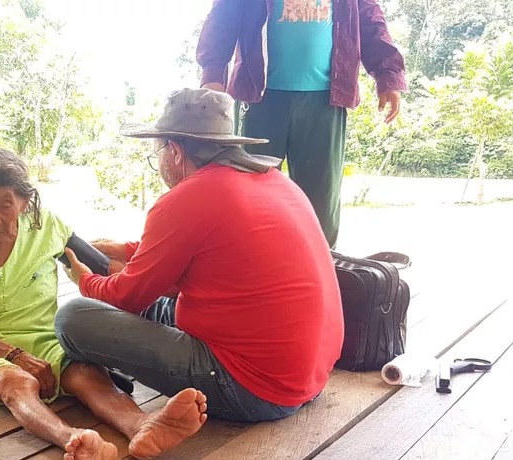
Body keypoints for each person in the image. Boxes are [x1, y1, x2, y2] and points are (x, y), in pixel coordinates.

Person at [56, 88, 344, 423]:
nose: (159, 163)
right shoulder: (276, 181)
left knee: (73, 317)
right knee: (163, 304)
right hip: (307, 377)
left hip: (254, 389)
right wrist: (126, 250)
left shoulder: (187, 198)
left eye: (158, 153)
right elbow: (203, 247)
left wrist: (85, 280)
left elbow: (125, 297)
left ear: (175, 152)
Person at [0, 148, 207, 460]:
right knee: (15, 384)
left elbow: (103, 267)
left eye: (5, 205)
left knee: (86, 374)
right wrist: (14, 355)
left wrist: (168, 284)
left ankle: (141, 426)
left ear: (25, 202)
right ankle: (72, 439)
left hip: (45, 337)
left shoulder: (47, 226)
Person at [196, 0, 407, 249]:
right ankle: (249, 270)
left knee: (320, 200)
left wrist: (388, 75)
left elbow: (371, 19)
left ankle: (321, 272)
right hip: (260, 96)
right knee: (249, 194)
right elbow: (224, 15)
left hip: (326, 100)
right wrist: (212, 74)